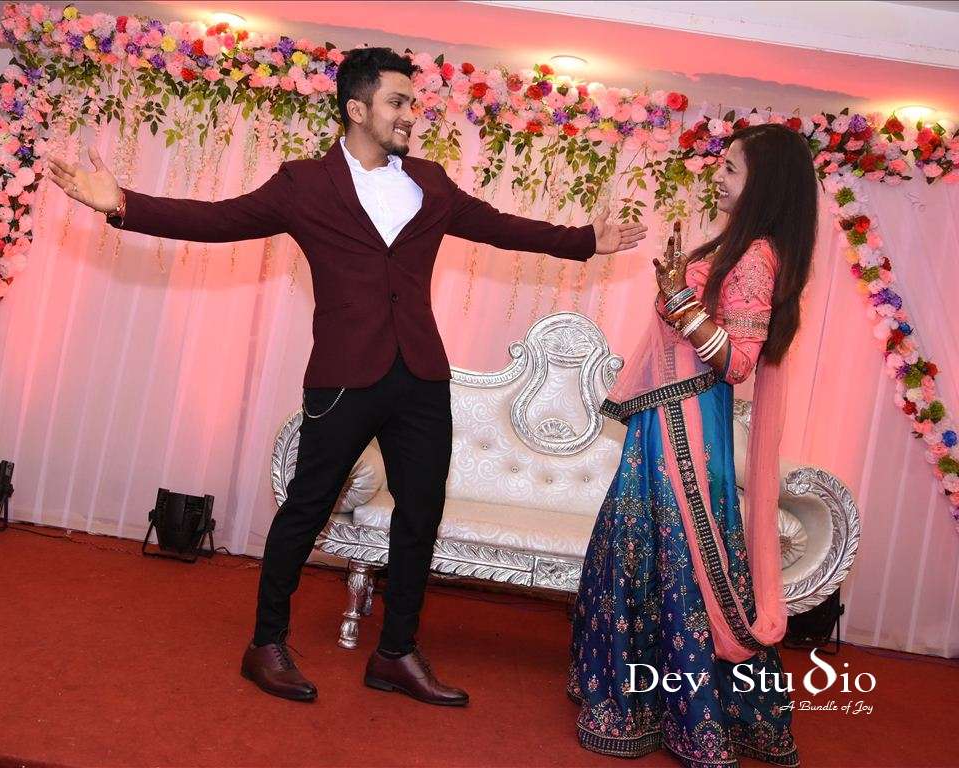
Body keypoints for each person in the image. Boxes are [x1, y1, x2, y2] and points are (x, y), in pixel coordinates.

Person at [49, 46, 647, 706]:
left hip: (420, 376)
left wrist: (586, 239)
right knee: (306, 509)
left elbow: (499, 227)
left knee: (420, 514)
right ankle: (265, 644)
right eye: (397, 102)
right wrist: (121, 203)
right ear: (356, 109)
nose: (410, 114)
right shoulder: (304, 184)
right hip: (342, 376)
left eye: (412, 103)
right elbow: (218, 220)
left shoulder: (430, 182)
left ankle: (396, 653)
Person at [569, 123, 817, 767]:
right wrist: (680, 298)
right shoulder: (734, 245)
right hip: (665, 419)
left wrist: (682, 303)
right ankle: (646, 702)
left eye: (731, 168)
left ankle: (689, 714)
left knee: (681, 558)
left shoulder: (756, 256)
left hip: (689, 430)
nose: (719, 176)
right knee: (640, 549)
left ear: (763, 183)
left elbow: (738, 363)